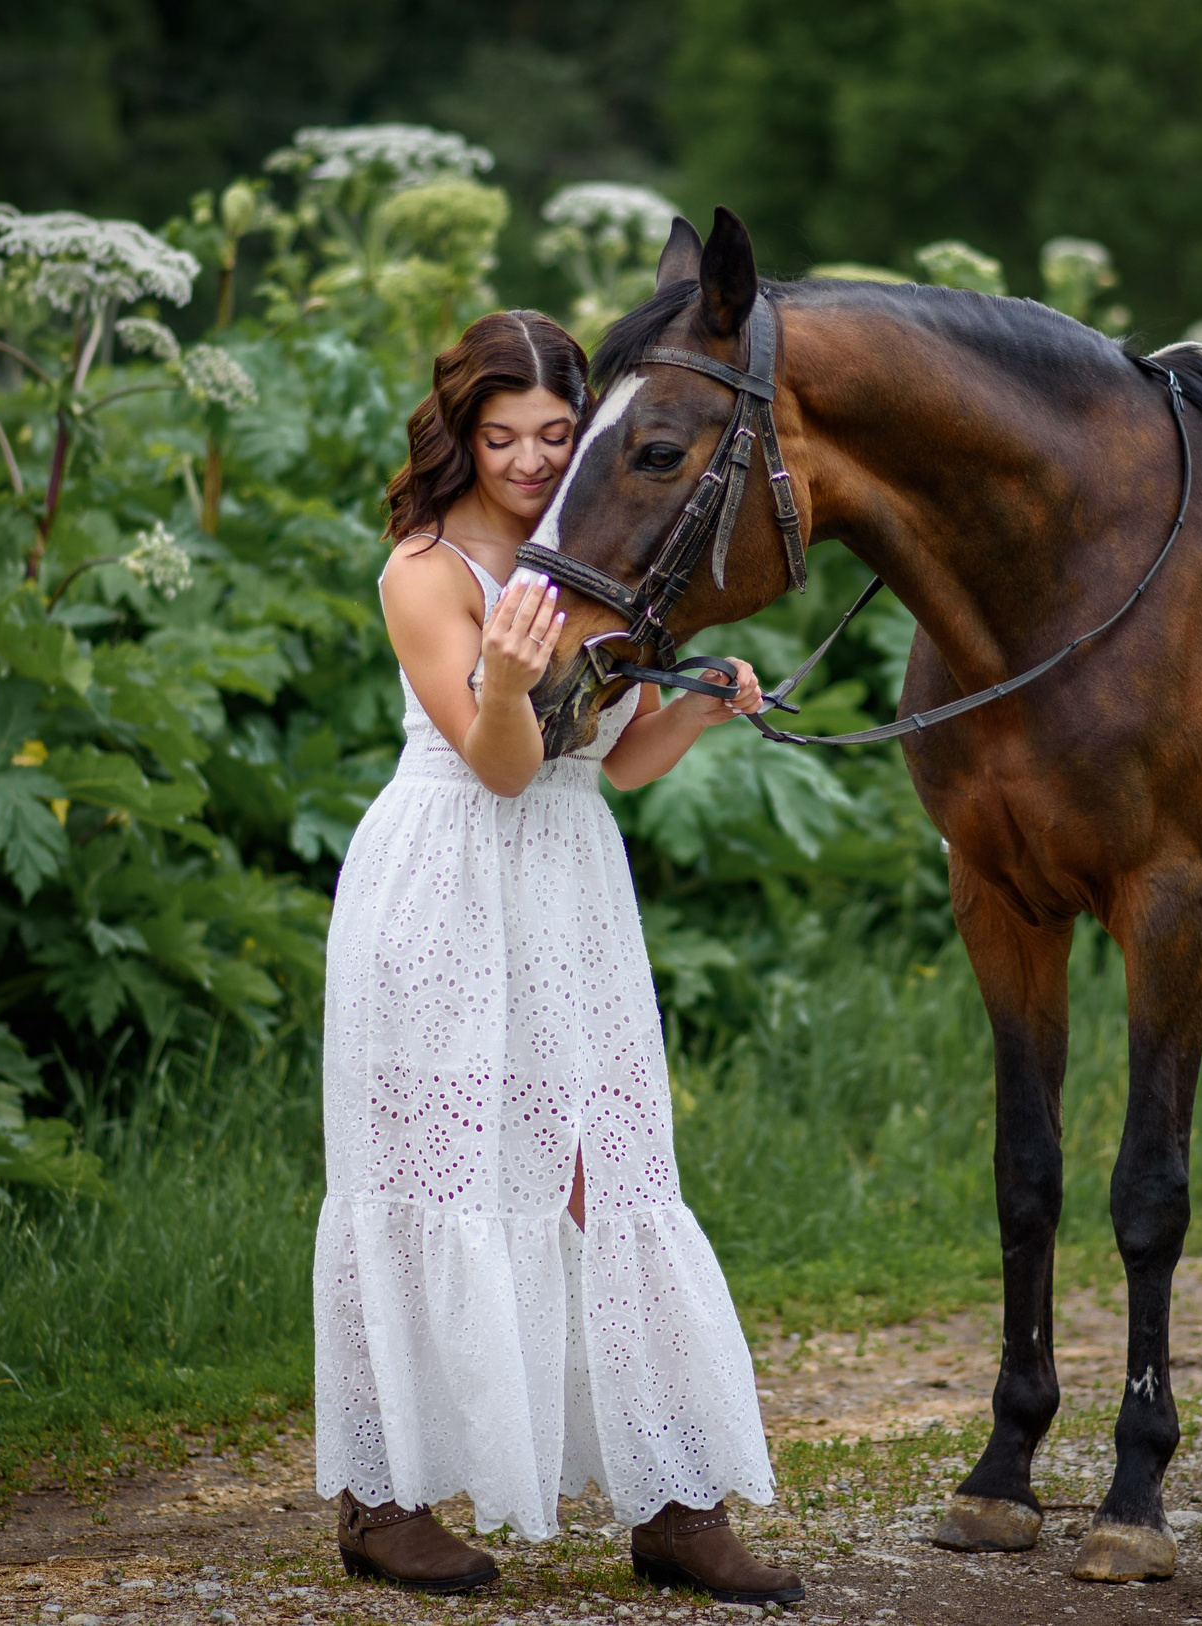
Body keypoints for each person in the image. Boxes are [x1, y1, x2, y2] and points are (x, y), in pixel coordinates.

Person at [314, 309, 802, 1607]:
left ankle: (676, 1502)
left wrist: (698, 703)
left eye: (554, 433)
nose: (530, 460)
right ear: (461, 435)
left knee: (609, 1171)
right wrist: (512, 679)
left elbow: (611, 766)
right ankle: (384, 1497)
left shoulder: (603, 553)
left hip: (571, 892)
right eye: (502, 435)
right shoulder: (428, 569)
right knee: (431, 1172)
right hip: (445, 881)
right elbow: (503, 763)